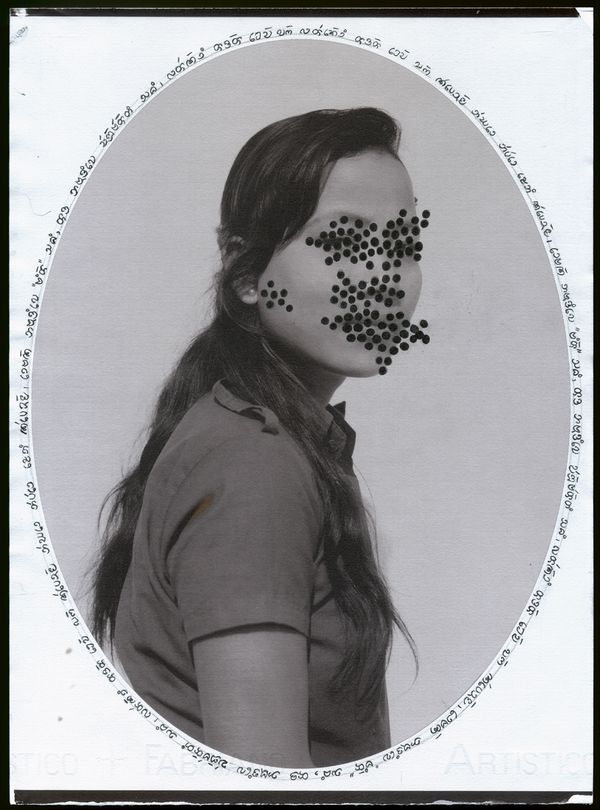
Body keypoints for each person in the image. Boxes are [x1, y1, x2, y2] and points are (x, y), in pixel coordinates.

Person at [92, 107, 428, 769]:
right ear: (245, 274)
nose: (384, 278)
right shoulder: (254, 466)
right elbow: (262, 784)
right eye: (344, 242)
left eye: (403, 245)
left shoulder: (265, 440)